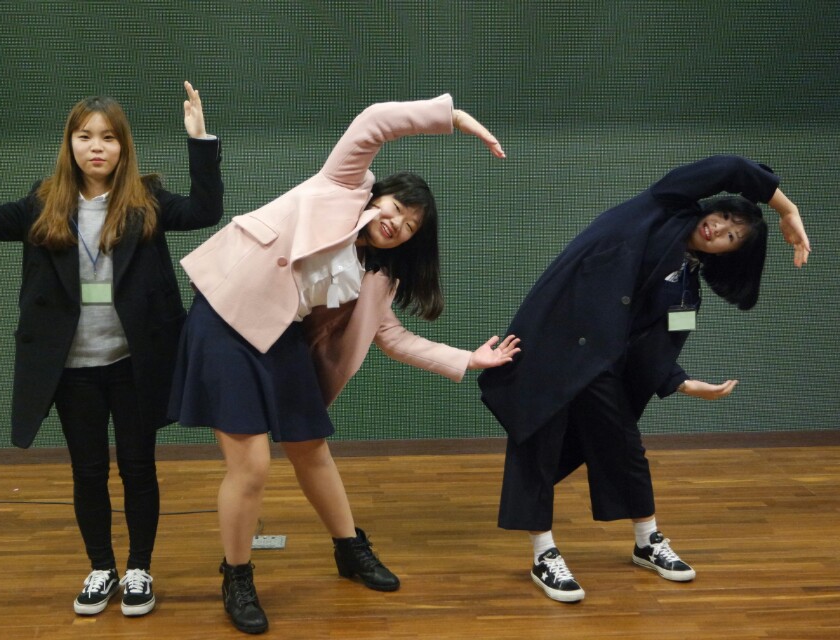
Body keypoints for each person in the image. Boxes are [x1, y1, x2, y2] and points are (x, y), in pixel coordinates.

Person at [169, 94, 520, 634]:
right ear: (377, 196)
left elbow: (393, 338)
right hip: (225, 316)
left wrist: (467, 359)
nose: (397, 223)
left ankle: (349, 548)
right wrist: (454, 118)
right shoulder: (341, 184)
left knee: (311, 447)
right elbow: (375, 122)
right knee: (252, 465)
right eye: (396, 208)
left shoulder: (378, 276)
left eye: (410, 225)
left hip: (279, 332)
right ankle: (236, 575)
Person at [478, 155, 810, 603]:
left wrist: (681, 382)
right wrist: (787, 209)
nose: (718, 228)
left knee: (624, 445)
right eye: (724, 216)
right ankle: (543, 553)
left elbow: (657, 348)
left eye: (732, 236)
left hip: (598, 364)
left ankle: (647, 541)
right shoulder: (662, 206)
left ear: (729, 255)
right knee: (538, 443)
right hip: (551, 340)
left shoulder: (687, 290)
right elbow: (730, 168)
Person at [0, 82, 224, 617]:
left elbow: (205, 210)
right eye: (84, 136)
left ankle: (139, 568)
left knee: (139, 468)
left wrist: (199, 140)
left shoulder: (147, 201)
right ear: (70, 143)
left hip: (133, 363)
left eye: (108, 137)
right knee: (88, 471)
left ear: (123, 146)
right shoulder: (42, 203)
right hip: (73, 369)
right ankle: (102, 567)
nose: (96, 146)